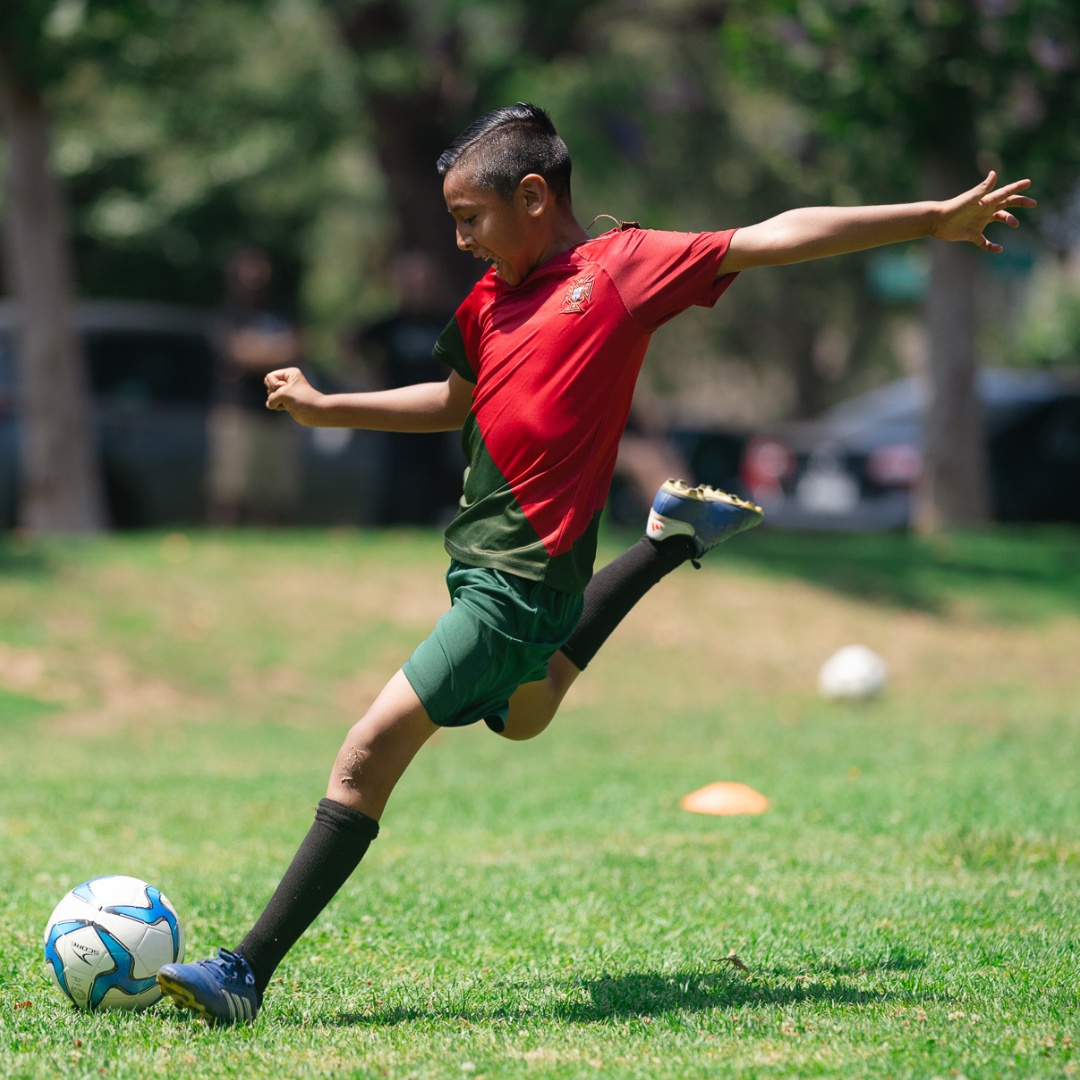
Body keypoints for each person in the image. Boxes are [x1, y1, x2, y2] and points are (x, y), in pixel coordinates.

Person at [157, 103, 1035, 1025]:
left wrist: (930, 218)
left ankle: (245, 971)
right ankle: (665, 544)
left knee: (370, 749)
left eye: (470, 218)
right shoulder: (488, 300)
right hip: (485, 572)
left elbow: (775, 236)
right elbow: (457, 397)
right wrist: (331, 407)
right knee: (525, 715)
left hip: (520, 584)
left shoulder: (619, 270)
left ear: (534, 197)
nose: (460, 239)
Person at [345, 249, 463, 525]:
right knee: (396, 479)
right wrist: (369, 378)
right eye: (410, 283)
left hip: (439, 416)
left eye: (423, 282)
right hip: (395, 418)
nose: (417, 289)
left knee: (437, 478)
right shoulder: (389, 325)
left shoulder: (447, 321)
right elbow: (349, 344)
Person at [206, 248, 304, 526]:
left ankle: (271, 554)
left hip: (281, 413)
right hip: (238, 413)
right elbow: (239, 354)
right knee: (231, 492)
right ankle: (221, 549)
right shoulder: (227, 314)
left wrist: (258, 349)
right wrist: (277, 350)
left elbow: (301, 346)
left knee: (275, 495)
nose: (256, 279)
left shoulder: (282, 311)